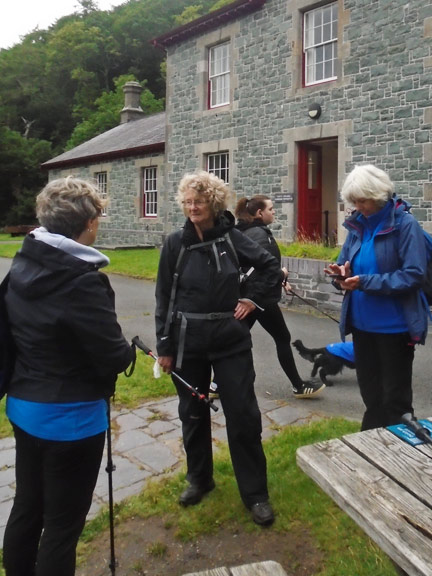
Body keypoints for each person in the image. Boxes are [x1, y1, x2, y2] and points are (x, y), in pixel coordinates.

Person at [2, 176, 135, 576]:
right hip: (70, 418)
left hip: (24, 406)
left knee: (27, 506)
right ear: (88, 223)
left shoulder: (26, 260)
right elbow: (112, 355)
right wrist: (129, 350)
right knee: (62, 525)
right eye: (98, 216)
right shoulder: (82, 280)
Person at [155, 171, 282, 526]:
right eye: (188, 202)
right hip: (187, 341)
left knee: (242, 415)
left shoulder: (232, 238)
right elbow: (164, 296)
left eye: (199, 201)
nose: (192, 207)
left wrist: (252, 300)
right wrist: (164, 345)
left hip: (229, 340)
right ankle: (200, 479)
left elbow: (270, 266)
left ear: (213, 204)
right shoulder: (174, 244)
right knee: (192, 414)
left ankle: (255, 493)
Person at [325, 164, 429, 430]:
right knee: (372, 398)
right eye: (354, 201)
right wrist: (340, 275)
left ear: (379, 194)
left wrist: (365, 282)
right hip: (362, 327)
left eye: (363, 200)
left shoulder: (405, 225)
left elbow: (413, 275)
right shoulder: (357, 226)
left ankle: (401, 458)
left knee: (395, 401)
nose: (359, 206)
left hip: (395, 328)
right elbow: (345, 265)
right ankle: (373, 453)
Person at [235, 195, 325, 398]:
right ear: (259, 213)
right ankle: (299, 386)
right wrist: (282, 275)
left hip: (250, 297)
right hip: (259, 300)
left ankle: (215, 386)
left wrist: (280, 281)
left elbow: (252, 268)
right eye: (271, 209)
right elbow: (265, 269)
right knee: (283, 337)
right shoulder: (260, 235)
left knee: (236, 338)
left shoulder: (246, 232)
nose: (274, 212)